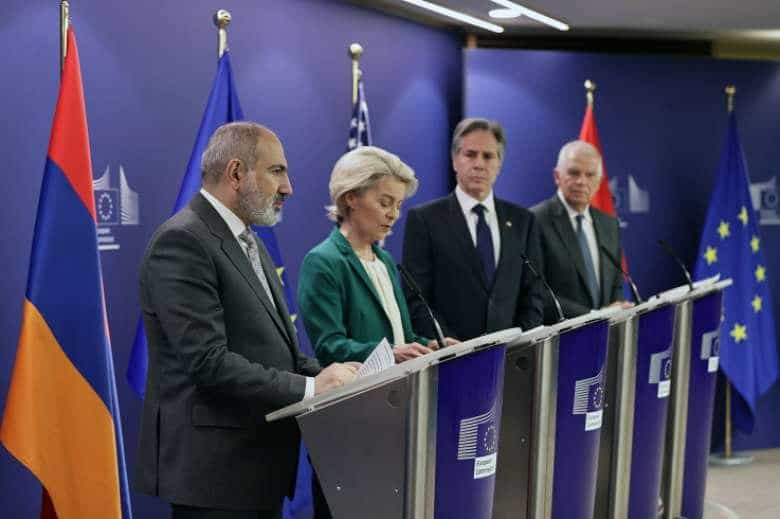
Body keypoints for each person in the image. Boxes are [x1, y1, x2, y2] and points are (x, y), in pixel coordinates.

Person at [134, 121, 358, 519]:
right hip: (214, 478)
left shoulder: (248, 240)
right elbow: (208, 362)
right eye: (277, 171)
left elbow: (274, 352)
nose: (288, 187)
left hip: (257, 470)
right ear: (236, 173)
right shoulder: (183, 241)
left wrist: (342, 377)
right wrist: (311, 387)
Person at [298, 146, 456, 519]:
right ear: (350, 198)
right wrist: (391, 353)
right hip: (350, 425)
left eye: (398, 205)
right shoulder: (323, 262)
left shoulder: (384, 259)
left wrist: (430, 345)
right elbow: (330, 347)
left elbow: (401, 334)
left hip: (396, 418)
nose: (393, 214)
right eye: (385, 202)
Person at [402, 118, 544, 341]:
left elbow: (534, 294)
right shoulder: (424, 219)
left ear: (499, 163)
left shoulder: (523, 221)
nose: (479, 164)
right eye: (470, 155)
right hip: (451, 353)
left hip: (512, 354)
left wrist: (517, 344)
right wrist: (451, 348)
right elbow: (416, 298)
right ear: (454, 160)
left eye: (488, 156)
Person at [531, 139, 632, 324]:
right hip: (559, 335)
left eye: (590, 175)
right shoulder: (535, 221)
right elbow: (535, 293)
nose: (581, 181)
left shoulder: (609, 224)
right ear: (557, 176)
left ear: (599, 181)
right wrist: (592, 317)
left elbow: (615, 285)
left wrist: (615, 311)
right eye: (574, 173)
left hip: (605, 333)